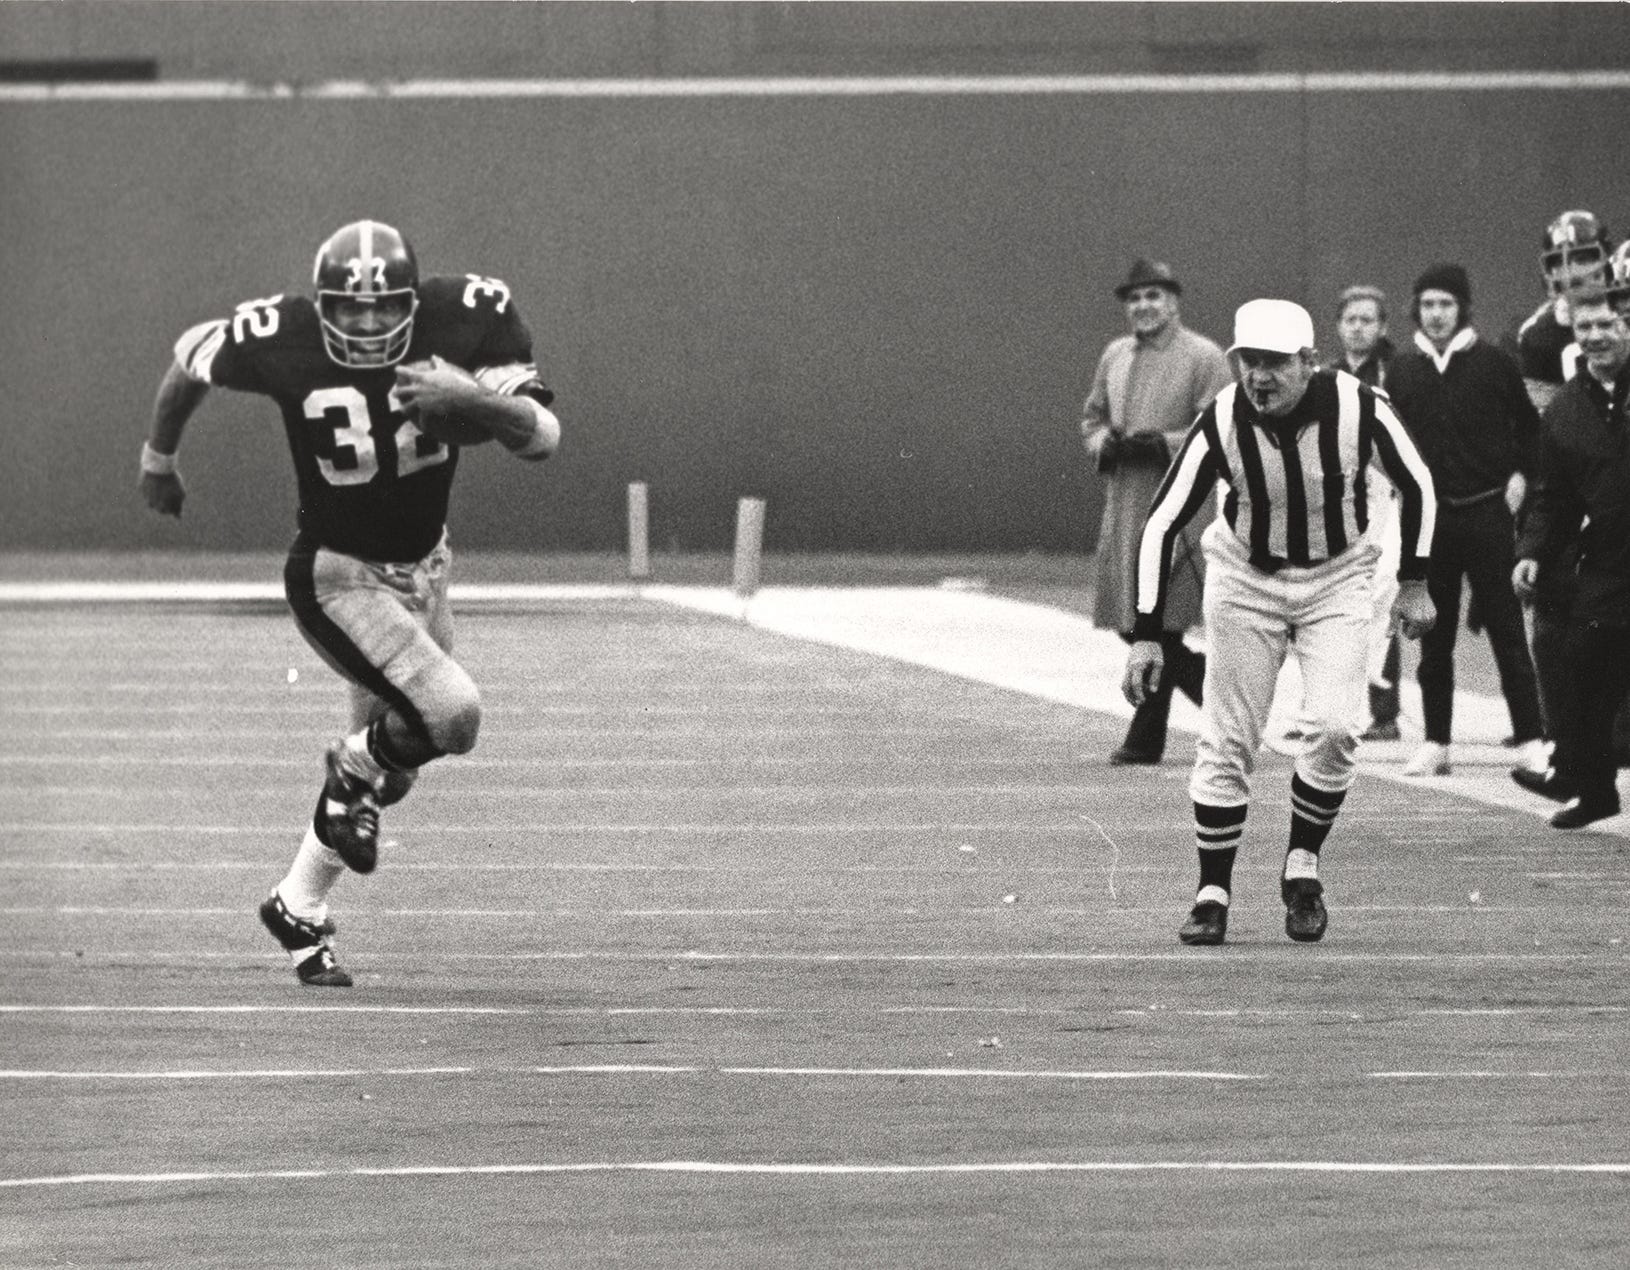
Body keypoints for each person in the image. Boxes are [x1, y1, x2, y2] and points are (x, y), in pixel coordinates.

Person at [139, 219, 561, 986]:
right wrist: (158, 457)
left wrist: (471, 397)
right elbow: (190, 358)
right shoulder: (282, 333)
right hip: (338, 574)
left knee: (391, 774)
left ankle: (296, 905)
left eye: (384, 307)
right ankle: (349, 775)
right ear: (321, 304)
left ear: (413, 302)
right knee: (452, 717)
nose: (367, 325)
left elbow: (543, 438)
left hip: (426, 569)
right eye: (349, 309)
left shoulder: (465, 316)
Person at [1124, 299, 1436, 946]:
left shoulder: (1359, 407)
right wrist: (1147, 635)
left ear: (1309, 361)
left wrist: (1414, 582)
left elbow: (1420, 484)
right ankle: (1212, 892)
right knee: (1228, 738)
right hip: (1246, 577)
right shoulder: (1222, 418)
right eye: (1249, 362)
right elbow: (1162, 520)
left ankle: (1302, 865)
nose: (1259, 377)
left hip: (1337, 575)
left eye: (1274, 363)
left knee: (1334, 727)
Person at [1384, 264, 1548, 778]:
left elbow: (1530, 429)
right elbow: (1389, 441)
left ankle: (1530, 739)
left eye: (1446, 304)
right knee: (1434, 636)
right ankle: (1436, 743)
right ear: (1417, 310)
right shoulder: (1402, 370)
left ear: (1463, 309)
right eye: (1428, 304)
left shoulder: (1496, 363)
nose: (1437, 314)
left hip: (1487, 512)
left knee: (1507, 631)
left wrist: (1521, 474)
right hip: (1430, 520)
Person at [1081, 257, 1232, 765]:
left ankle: (1145, 738)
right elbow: (1092, 417)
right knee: (1132, 619)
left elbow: (1221, 427)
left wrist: (1163, 443)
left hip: (1183, 505)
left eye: (1153, 296)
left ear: (1174, 301)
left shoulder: (1204, 356)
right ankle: (1226, 701)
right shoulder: (1116, 354)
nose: (1143, 306)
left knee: (1161, 622)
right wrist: (1105, 442)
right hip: (1126, 503)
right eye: (1135, 298)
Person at [1513, 286, 1630, 828]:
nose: (1596, 336)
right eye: (1585, 328)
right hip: (1607, 561)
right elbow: (1554, 495)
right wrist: (1532, 552)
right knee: (1585, 674)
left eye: (1606, 324)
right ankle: (1593, 789)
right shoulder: (1565, 408)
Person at [1330, 285, 1404, 741]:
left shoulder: (1398, 374)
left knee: (1382, 599)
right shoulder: (1325, 375)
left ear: (1382, 327)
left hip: (1388, 498)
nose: (1358, 328)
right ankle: (1331, 709)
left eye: (1367, 320)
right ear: (1339, 326)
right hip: (1341, 501)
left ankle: (1384, 712)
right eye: (1350, 319)